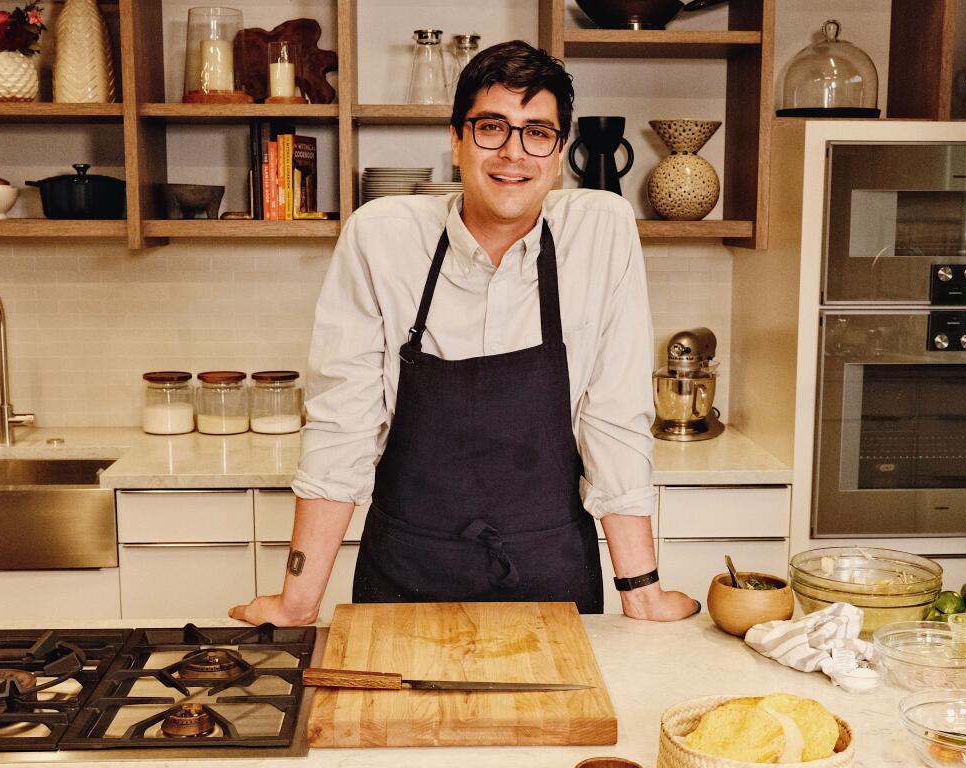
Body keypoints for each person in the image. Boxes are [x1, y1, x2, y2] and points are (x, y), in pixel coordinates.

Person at [229, 40, 698, 625]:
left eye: (537, 133)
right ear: (455, 140)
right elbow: (342, 425)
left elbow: (613, 418)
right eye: (491, 127)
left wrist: (642, 590)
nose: (513, 153)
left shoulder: (601, 233)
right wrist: (297, 601)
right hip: (404, 574)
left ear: (558, 154)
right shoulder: (381, 238)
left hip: (550, 572)